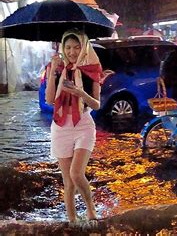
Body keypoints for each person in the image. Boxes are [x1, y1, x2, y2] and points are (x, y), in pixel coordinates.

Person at [45, 29, 102, 228]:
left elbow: (96, 105)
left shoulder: (92, 70)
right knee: (67, 181)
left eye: (77, 47)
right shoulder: (57, 69)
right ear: (62, 48)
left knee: (76, 173)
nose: (72, 51)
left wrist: (80, 92)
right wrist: (53, 70)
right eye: (68, 47)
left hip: (83, 125)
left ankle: (91, 209)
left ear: (84, 48)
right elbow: (50, 99)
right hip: (61, 126)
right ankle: (71, 220)